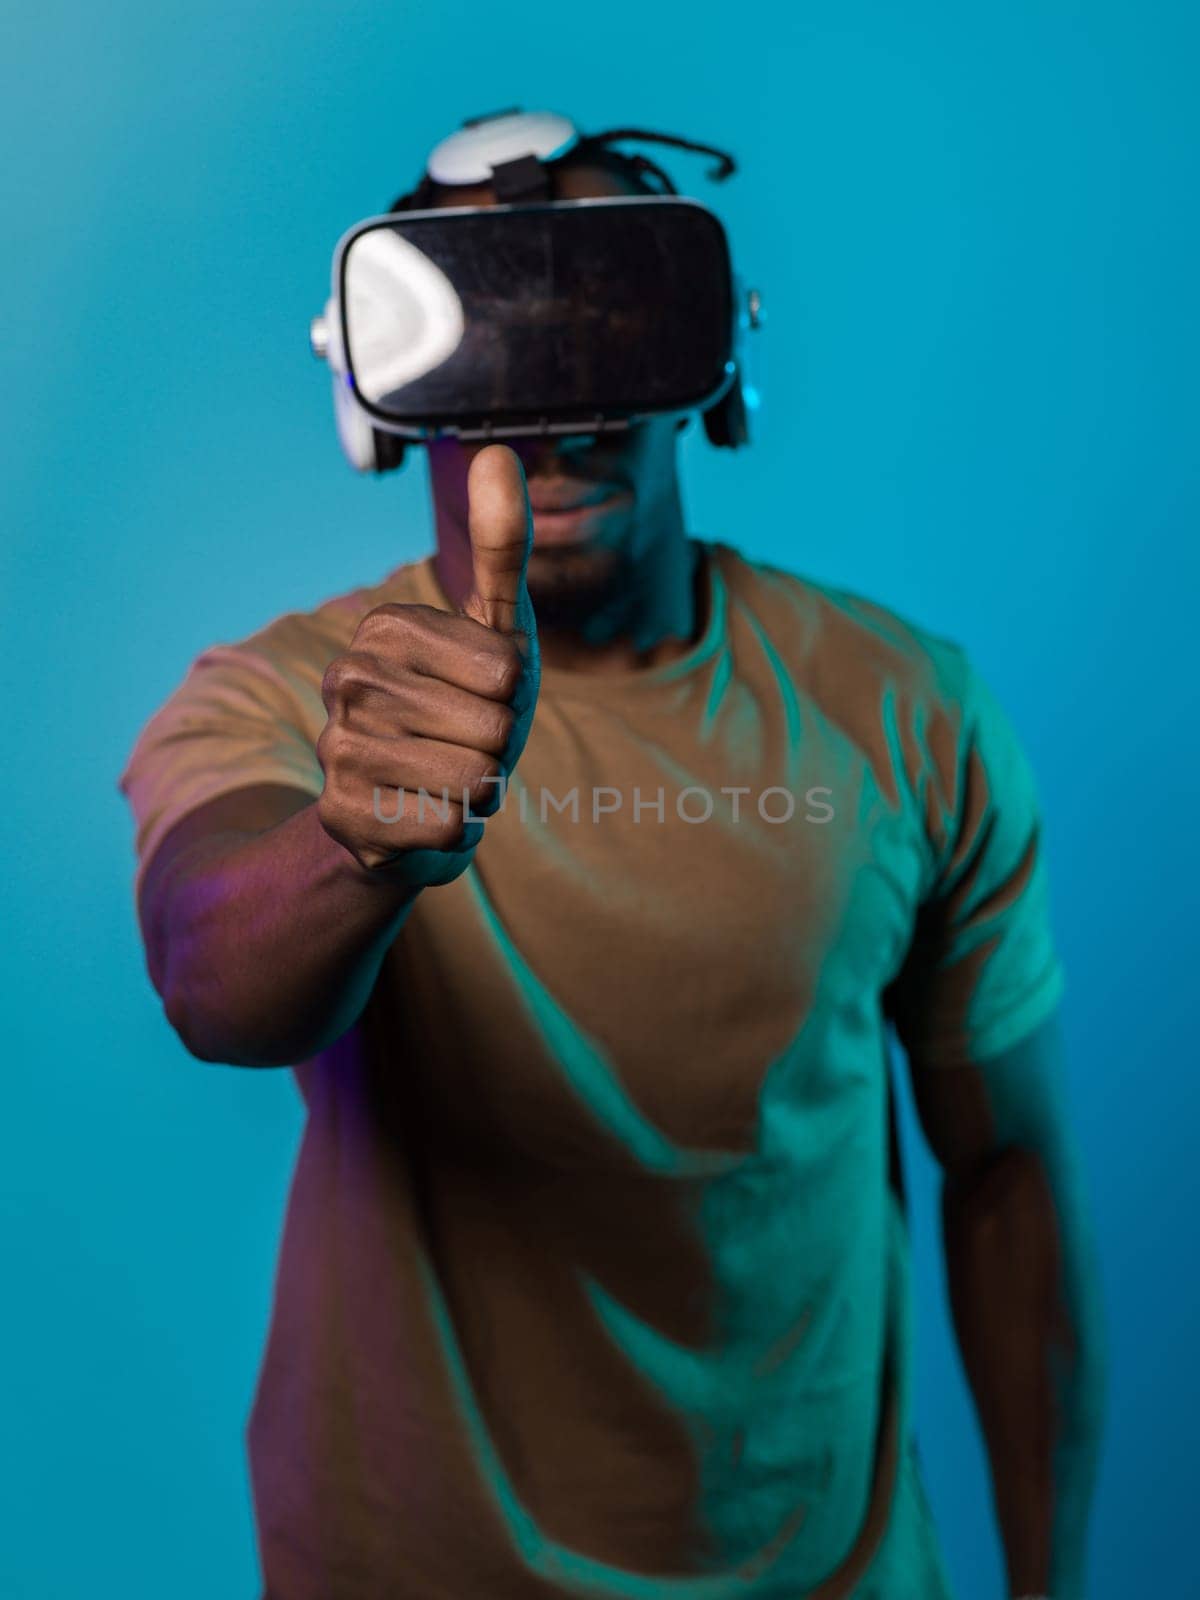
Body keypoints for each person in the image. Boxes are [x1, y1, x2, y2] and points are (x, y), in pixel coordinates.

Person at [118, 115, 1104, 1600]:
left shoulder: (907, 711)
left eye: (613, 329)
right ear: (379, 394)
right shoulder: (283, 701)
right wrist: (359, 848)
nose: (561, 414)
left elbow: (1010, 1176)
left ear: (714, 367)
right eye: (499, 342)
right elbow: (214, 977)